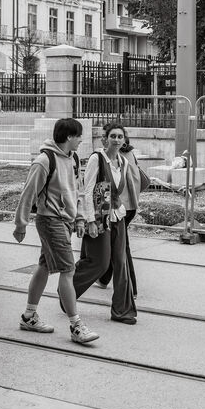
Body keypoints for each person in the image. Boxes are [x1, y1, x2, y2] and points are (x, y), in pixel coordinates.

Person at [12, 117, 98, 345]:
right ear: (69, 137)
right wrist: (20, 224)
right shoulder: (44, 160)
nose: (81, 140)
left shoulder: (73, 158)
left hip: (65, 221)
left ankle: (29, 316)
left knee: (44, 265)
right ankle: (76, 325)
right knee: (68, 270)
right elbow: (28, 193)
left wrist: (79, 218)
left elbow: (76, 191)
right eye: (79, 136)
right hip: (51, 220)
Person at [73, 121, 140, 324]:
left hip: (117, 217)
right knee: (100, 263)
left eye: (120, 136)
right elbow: (88, 190)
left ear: (124, 139)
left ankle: (122, 310)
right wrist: (90, 220)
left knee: (121, 264)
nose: (117, 140)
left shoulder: (124, 162)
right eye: (113, 136)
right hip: (100, 218)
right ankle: (67, 291)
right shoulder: (97, 159)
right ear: (106, 138)